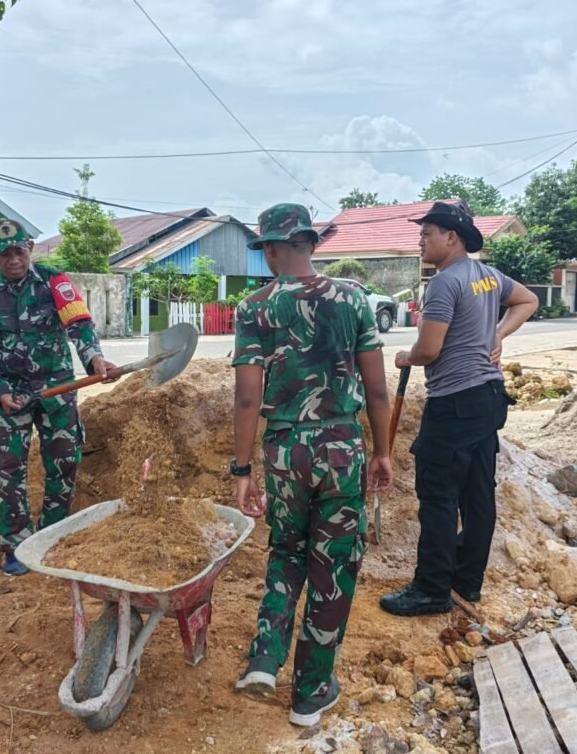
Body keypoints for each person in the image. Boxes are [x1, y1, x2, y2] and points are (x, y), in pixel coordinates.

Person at [231, 203, 393, 727]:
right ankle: (310, 690)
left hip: (284, 450)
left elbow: (247, 399)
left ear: (271, 250)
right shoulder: (352, 298)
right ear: (311, 243)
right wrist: (383, 452)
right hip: (341, 447)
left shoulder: (254, 308)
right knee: (333, 564)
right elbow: (377, 390)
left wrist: (241, 471)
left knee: (286, 550)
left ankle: (265, 657)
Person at [379, 202, 538, 616]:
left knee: (438, 496)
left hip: (454, 403)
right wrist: (496, 335)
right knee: (477, 492)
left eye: (427, 233)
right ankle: (467, 580)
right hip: (488, 398)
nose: (420, 240)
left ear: (451, 238)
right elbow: (528, 300)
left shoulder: (444, 283)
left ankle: (432, 590)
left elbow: (428, 350)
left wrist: (405, 357)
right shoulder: (488, 276)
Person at [0, 219, 117, 576]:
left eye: (19, 251)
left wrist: (94, 359)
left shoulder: (53, 282)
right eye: (4, 255)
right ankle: (16, 547)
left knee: (64, 465)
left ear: (30, 248)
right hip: (11, 395)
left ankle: (52, 536)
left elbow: (79, 325)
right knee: (10, 472)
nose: (14, 260)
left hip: (57, 391)